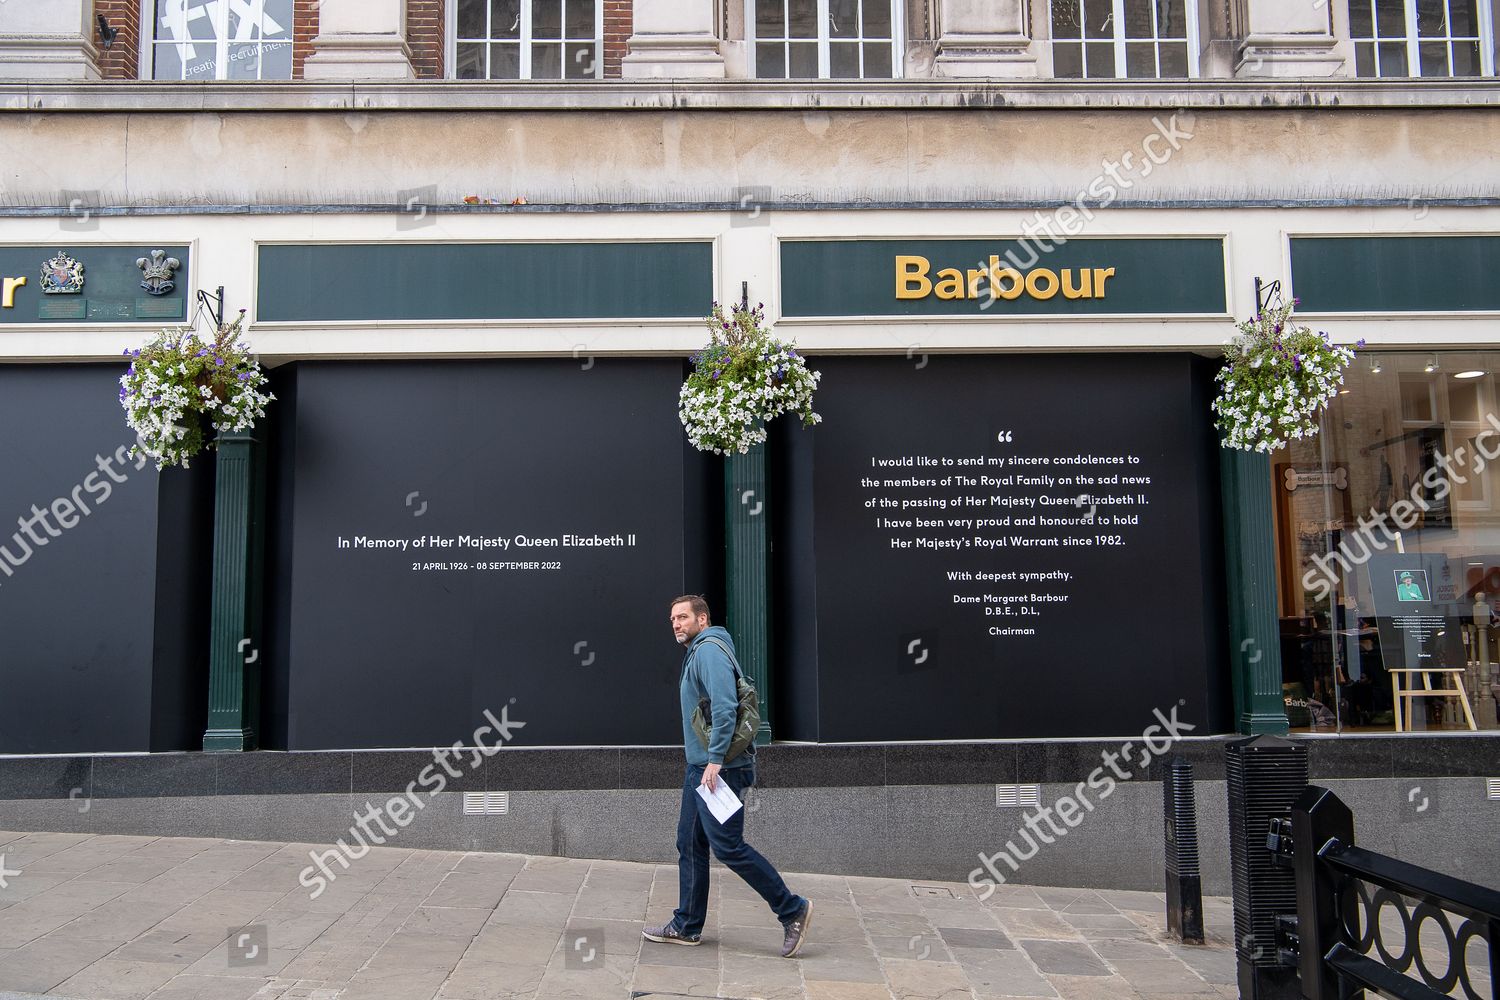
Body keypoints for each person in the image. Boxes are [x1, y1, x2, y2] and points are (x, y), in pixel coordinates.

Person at [642, 594, 813, 958]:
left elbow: (725, 705)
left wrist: (715, 760)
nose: (676, 623)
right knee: (688, 842)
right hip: (701, 768)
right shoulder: (704, 650)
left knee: (728, 846)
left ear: (702, 619)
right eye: (672, 618)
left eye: (683, 617)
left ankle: (791, 908)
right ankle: (687, 925)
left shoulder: (708, 651)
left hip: (718, 770)